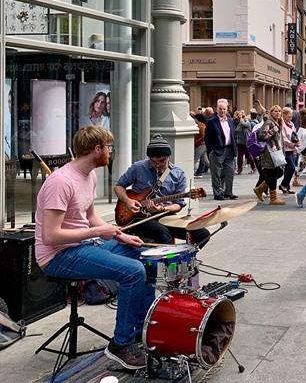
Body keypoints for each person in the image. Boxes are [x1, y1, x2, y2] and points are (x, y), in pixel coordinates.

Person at [35, 126, 152, 369]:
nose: (111, 152)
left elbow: (90, 217)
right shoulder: (61, 182)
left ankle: (142, 330)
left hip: (83, 245)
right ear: (97, 149)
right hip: (58, 256)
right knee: (133, 271)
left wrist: (121, 236)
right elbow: (50, 236)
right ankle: (121, 344)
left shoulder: (90, 175)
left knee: (146, 257)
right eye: (109, 148)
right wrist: (98, 232)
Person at [115, 134, 209, 247]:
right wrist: (127, 200)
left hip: (164, 214)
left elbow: (178, 205)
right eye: (153, 162)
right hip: (138, 216)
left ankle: (185, 259)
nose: (157, 165)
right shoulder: (138, 167)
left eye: (161, 161)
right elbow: (119, 186)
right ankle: (168, 264)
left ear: (168, 157)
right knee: (163, 233)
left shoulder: (178, 174)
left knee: (202, 234)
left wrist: (163, 208)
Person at [205, 99, 237, 201]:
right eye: (220, 109)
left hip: (229, 150)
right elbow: (207, 138)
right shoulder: (211, 122)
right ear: (216, 109)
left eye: (224, 109)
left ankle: (228, 192)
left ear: (227, 110)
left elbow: (233, 135)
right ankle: (218, 193)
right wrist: (211, 150)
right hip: (217, 151)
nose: (222, 111)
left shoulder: (231, 121)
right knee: (216, 174)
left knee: (230, 172)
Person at [253, 105, 286, 206]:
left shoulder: (276, 122)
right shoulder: (269, 122)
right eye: (275, 111)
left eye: (279, 111)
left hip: (275, 152)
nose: (278, 113)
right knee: (272, 173)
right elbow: (262, 136)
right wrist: (273, 130)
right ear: (271, 112)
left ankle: (260, 189)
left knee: (278, 172)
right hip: (269, 153)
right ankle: (273, 198)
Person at [278, 107, 298, 195]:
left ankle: (286, 187)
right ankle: (283, 184)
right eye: (289, 114)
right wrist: (292, 144)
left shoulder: (292, 124)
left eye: (291, 115)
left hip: (292, 149)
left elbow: (294, 135)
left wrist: (296, 143)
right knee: (291, 167)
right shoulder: (282, 124)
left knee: (289, 169)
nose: (291, 116)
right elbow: (284, 138)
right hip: (285, 149)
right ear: (284, 115)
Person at [234, 110, 257, 175]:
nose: (239, 116)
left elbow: (244, 124)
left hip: (246, 142)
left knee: (248, 155)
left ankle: (253, 168)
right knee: (240, 157)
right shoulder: (239, 123)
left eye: (241, 115)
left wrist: (241, 118)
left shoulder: (247, 122)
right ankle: (239, 169)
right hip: (240, 142)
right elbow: (236, 130)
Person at [293, 115, 306, 186]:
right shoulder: (301, 129)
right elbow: (297, 139)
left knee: (302, 165)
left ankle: (295, 179)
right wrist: (296, 149)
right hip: (303, 149)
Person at [193, 113, 209, 178]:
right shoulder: (202, 125)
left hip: (201, 145)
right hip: (203, 144)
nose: (194, 119)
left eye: (195, 118)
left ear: (197, 119)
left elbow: (202, 136)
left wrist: (196, 142)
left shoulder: (201, 126)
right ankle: (217, 169)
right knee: (205, 160)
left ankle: (191, 172)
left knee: (195, 159)